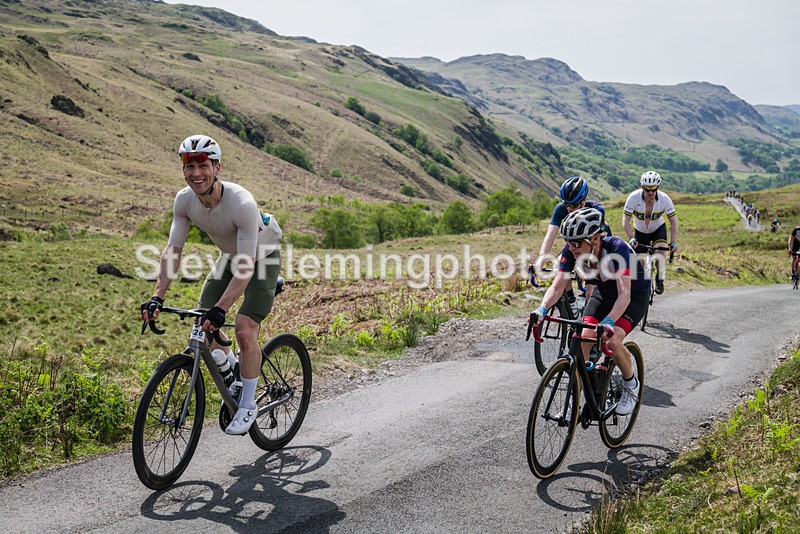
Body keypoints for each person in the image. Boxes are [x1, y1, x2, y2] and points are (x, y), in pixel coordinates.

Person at [140, 134, 282, 435]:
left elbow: (247, 265)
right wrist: (157, 297)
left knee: (244, 328)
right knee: (203, 322)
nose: (196, 174)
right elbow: (173, 251)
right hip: (233, 255)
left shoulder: (241, 202)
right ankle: (230, 368)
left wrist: (222, 309)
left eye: (203, 165)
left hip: (262, 256)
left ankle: (247, 405)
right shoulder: (185, 201)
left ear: (217, 168)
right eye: (189, 167)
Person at [530, 207, 649, 415]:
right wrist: (541, 309)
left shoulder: (616, 249)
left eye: (577, 242)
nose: (571, 247)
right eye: (568, 241)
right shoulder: (571, 251)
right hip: (604, 293)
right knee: (583, 340)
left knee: (612, 341)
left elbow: (624, 295)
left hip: (632, 297)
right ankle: (574, 401)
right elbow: (557, 287)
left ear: (594, 238)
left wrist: (610, 321)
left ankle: (631, 384)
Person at [622, 171, 678, 294]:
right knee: (640, 263)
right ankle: (642, 287)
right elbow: (625, 221)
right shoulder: (633, 198)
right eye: (648, 190)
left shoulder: (664, 199)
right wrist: (631, 238)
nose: (651, 193)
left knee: (660, 252)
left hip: (658, 229)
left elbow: (674, 221)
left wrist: (673, 242)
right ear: (642, 187)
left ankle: (659, 278)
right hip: (640, 231)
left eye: (654, 189)